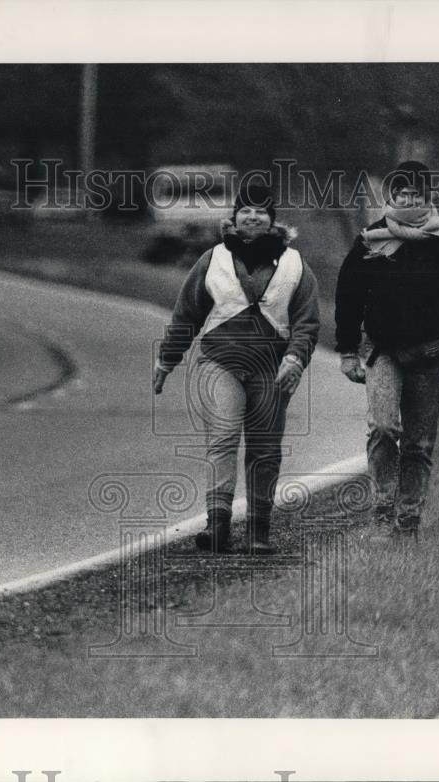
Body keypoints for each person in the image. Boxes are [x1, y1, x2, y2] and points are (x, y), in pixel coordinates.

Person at [154, 182, 320, 554]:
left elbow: (307, 321)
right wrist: (167, 359)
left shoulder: (295, 264)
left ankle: (259, 530)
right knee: (224, 438)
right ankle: (218, 526)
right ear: (234, 217)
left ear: (272, 220)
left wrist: (295, 357)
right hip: (220, 362)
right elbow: (187, 314)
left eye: (261, 211)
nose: (253, 216)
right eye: (245, 210)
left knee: (264, 446)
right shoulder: (211, 259)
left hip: (272, 367)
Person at [334, 160, 439, 538]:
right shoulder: (370, 239)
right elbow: (348, 297)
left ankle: (409, 518)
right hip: (381, 350)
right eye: (401, 193)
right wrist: (347, 350)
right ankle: (383, 508)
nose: (408, 198)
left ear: (427, 196)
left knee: (418, 442)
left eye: (415, 193)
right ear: (391, 197)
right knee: (383, 428)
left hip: (430, 352)